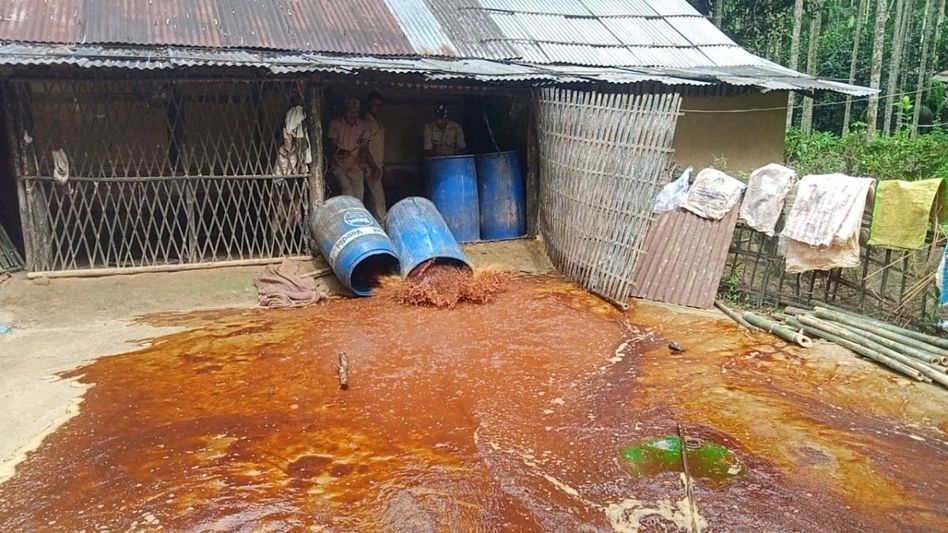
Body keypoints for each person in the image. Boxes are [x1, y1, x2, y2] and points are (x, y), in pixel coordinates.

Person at [327, 98, 370, 202]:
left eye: (356, 112)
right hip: (339, 166)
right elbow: (331, 144)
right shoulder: (335, 124)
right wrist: (341, 151)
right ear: (344, 111)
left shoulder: (363, 125)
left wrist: (362, 160)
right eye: (350, 112)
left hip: (355, 167)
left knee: (359, 196)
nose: (353, 115)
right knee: (347, 191)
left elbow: (364, 147)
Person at [362, 92, 387, 219]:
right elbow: (365, 148)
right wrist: (374, 167)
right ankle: (382, 225)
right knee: (378, 199)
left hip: (377, 164)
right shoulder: (366, 122)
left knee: (374, 197)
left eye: (379, 105)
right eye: (375, 105)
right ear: (369, 105)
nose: (378, 108)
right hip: (370, 166)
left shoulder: (377, 121)